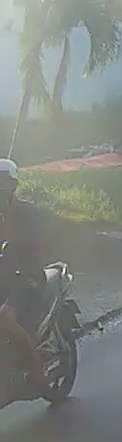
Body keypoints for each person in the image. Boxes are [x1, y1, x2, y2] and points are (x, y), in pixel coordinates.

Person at [0, 158, 49, 386]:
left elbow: (38, 246)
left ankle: (36, 368)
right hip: (4, 277)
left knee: (4, 318)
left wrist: (14, 246)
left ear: (13, 185)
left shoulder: (27, 212)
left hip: (27, 276)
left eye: (3, 182)